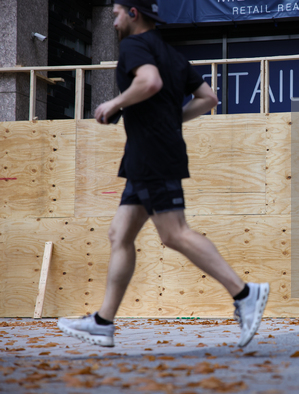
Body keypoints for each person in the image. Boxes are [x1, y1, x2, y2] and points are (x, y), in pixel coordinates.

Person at [57, 0, 269, 348]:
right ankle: (103, 322)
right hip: (145, 156)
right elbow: (208, 98)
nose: (113, 22)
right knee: (119, 234)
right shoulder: (172, 54)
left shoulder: (133, 46)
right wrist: (172, 121)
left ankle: (245, 293)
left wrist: (115, 103)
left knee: (174, 234)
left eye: (116, 14)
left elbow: (149, 81)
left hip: (153, 156)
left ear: (134, 13)